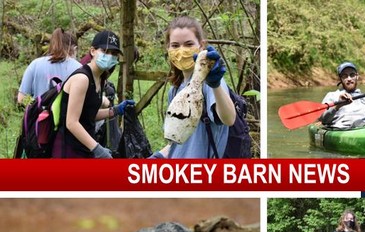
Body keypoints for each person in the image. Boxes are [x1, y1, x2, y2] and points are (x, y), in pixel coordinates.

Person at [150, 16, 235, 159]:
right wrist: (158, 156)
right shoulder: (175, 90)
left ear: (201, 46)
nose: (182, 50)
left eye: (189, 44)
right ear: (168, 48)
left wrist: (215, 84)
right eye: (175, 45)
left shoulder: (210, 85)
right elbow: (178, 140)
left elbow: (229, 119)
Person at [52, 30, 134, 158]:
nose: (110, 56)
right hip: (69, 149)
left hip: (85, 147)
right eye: (105, 51)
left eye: (114, 53)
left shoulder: (100, 78)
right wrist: (98, 149)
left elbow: (87, 115)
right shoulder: (82, 78)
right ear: (92, 51)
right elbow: (72, 122)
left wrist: (114, 110)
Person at [17, 28, 80, 105]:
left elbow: (21, 98)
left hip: (38, 115)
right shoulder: (78, 68)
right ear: (74, 49)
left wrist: (36, 107)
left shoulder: (35, 64)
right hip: (65, 116)